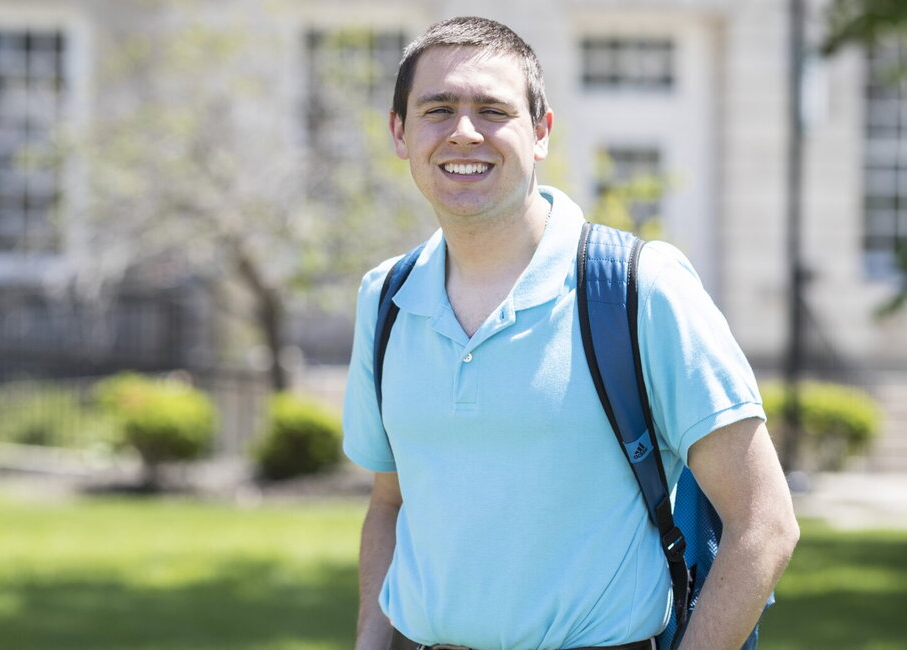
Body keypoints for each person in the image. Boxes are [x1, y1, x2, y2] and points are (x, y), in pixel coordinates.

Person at [341, 16, 799, 650]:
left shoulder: (641, 288)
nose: (464, 132)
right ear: (400, 132)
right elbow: (391, 503)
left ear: (541, 132)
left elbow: (764, 522)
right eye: (437, 109)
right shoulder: (385, 299)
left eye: (493, 110)